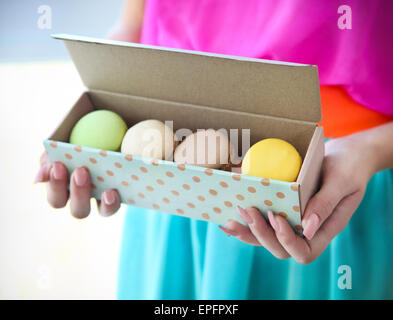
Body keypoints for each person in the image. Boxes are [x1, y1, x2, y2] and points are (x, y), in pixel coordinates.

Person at [36, 0, 393, 299]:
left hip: (331, 178)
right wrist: (109, 92)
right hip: (168, 175)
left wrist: (371, 150)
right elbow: (137, 22)